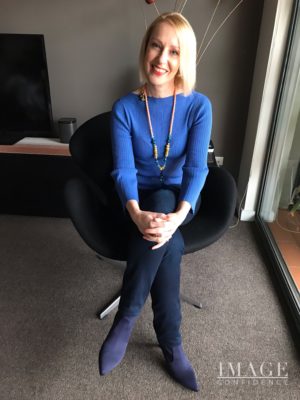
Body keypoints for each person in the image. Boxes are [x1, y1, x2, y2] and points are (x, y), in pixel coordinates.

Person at [99, 12, 212, 392]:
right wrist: (134, 213)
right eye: (156, 45)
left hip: (180, 202)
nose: (162, 58)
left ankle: (127, 318)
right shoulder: (125, 108)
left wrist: (177, 216)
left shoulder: (198, 107)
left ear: (185, 60)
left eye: (174, 51)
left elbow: (197, 170)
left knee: (167, 202)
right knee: (170, 245)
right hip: (137, 203)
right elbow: (124, 173)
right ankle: (172, 342)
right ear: (145, 47)